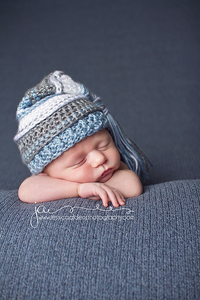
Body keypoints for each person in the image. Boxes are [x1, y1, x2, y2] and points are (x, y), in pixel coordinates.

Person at [14, 71, 150, 207]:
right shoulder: (45, 179)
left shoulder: (113, 169)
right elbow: (26, 191)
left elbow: (133, 186)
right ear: (44, 171)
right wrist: (78, 189)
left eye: (103, 145)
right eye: (80, 161)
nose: (99, 158)